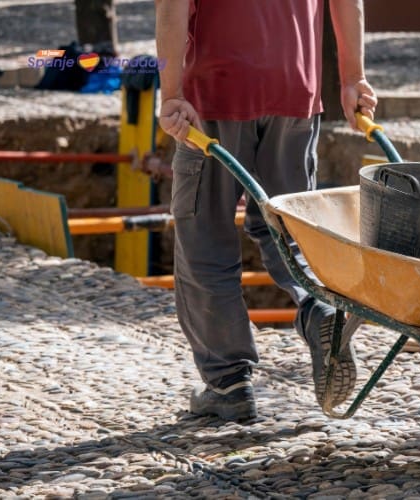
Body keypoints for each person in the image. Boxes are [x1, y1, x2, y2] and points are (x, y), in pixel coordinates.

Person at [155, 0, 377, 421]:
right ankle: (321, 311)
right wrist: (353, 79)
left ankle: (229, 382)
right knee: (291, 229)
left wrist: (171, 95)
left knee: (204, 237)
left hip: (215, 91)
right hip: (295, 88)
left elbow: (171, 8)